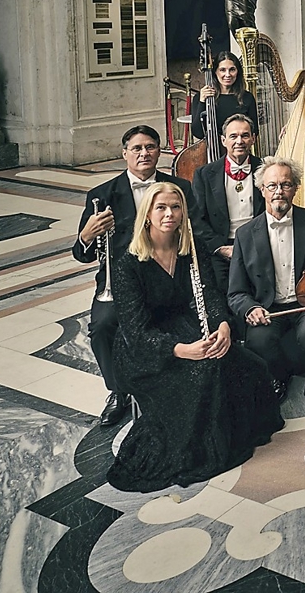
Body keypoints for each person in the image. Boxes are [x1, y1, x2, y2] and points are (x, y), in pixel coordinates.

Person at [107, 182, 283, 492]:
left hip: (186, 326)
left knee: (249, 366)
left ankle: (233, 436)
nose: (169, 214)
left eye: (175, 207)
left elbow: (211, 296)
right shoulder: (128, 265)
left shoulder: (192, 247)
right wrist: (182, 350)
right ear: (147, 214)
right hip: (148, 347)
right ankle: (203, 450)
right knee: (204, 374)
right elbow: (136, 332)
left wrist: (223, 326)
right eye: (161, 207)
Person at [74, 125, 194, 427]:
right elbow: (82, 254)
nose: (144, 153)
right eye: (137, 148)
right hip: (122, 280)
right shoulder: (102, 195)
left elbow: (195, 234)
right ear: (124, 153)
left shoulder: (180, 187)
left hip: (168, 274)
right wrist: (87, 236)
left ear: (159, 151)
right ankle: (118, 390)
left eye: (151, 147)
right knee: (102, 325)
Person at [227, 157, 305, 400]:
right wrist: (250, 309)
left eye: (286, 185)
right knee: (258, 340)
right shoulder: (245, 234)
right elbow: (236, 292)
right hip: (269, 307)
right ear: (262, 190)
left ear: (295, 188)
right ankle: (278, 377)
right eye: (272, 186)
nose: (279, 191)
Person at [190, 114, 262, 299]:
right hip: (221, 246)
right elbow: (197, 219)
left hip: (259, 244)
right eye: (233, 136)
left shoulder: (266, 168)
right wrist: (220, 248)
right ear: (223, 140)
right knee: (222, 290)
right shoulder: (204, 174)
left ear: (253, 138)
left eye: (245, 135)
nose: (240, 141)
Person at [189, 51, 258, 147]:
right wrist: (202, 102)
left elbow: (254, 131)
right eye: (222, 70)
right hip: (210, 152)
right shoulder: (201, 97)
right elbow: (198, 133)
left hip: (239, 149)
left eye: (232, 69)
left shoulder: (247, 98)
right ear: (215, 72)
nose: (228, 74)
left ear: (238, 71)